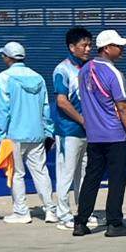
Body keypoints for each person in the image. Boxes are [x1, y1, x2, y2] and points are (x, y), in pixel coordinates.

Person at [72, 29, 126, 237]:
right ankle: (114, 223)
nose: (122, 50)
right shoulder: (113, 73)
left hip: (94, 135)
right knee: (117, 179)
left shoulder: (84, 70)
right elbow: (123, 107)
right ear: (107, 48)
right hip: (115, 134)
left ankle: (81, 222)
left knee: (91, 177)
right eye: (118, 46)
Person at [0, 42, 59, 225]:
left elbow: (3, 109)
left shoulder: (4, 78)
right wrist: (48, 131)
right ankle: (50, 210)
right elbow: (45, 107)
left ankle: (21, 211)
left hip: (14, 134)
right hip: (37, 133)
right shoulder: (38, 77)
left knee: (16, 173)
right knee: (41, 171)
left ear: (8, 57)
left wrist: (2, 133)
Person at [51, 27, 91, 228]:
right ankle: (63, 213)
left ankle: (82, 211)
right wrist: (82, 120)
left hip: (87, 131)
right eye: (83, 45)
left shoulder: (89, 68)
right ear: (72, 47)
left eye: (89, 45)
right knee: (66, 172)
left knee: (83, 172)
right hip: (69, 130)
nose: (87, 49)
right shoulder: (62, 69)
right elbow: (62, 101)